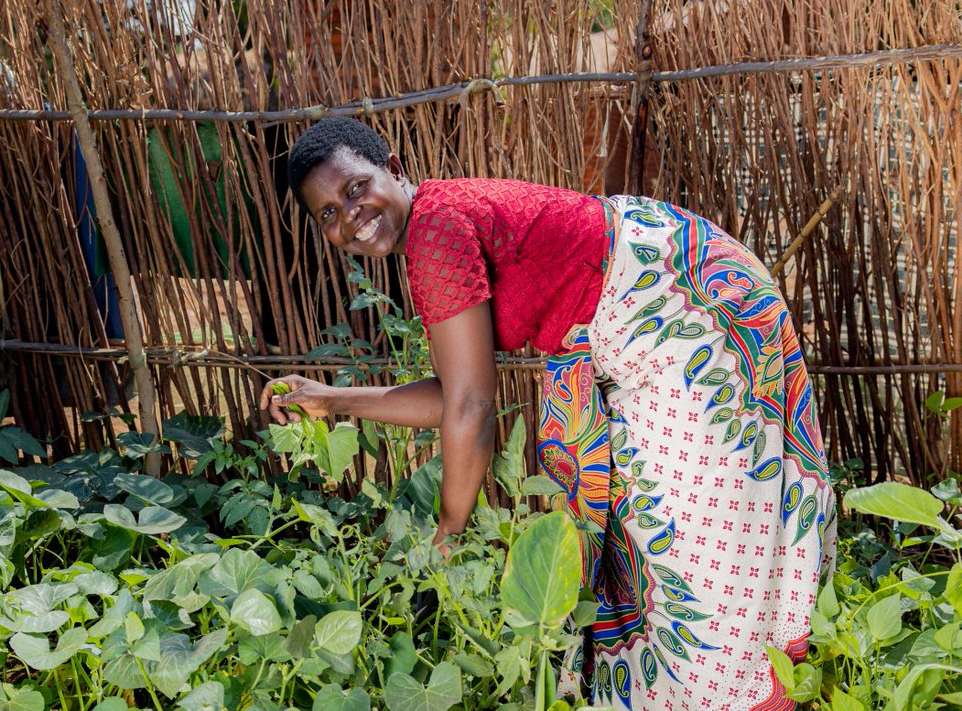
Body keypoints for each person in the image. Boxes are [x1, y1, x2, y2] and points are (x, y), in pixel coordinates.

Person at [259, 117, 836, 711]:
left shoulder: (434, 229)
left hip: (686, 312)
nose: (348, 214)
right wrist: (332, 399)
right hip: (658, 314)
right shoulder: (435, 229)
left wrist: (449, 531)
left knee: (695, 541)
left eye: (355, 188)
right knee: (654, 534)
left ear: (395, 169)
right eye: (327, 213)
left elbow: (471, 408)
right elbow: (460, 393)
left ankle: (735, 694)